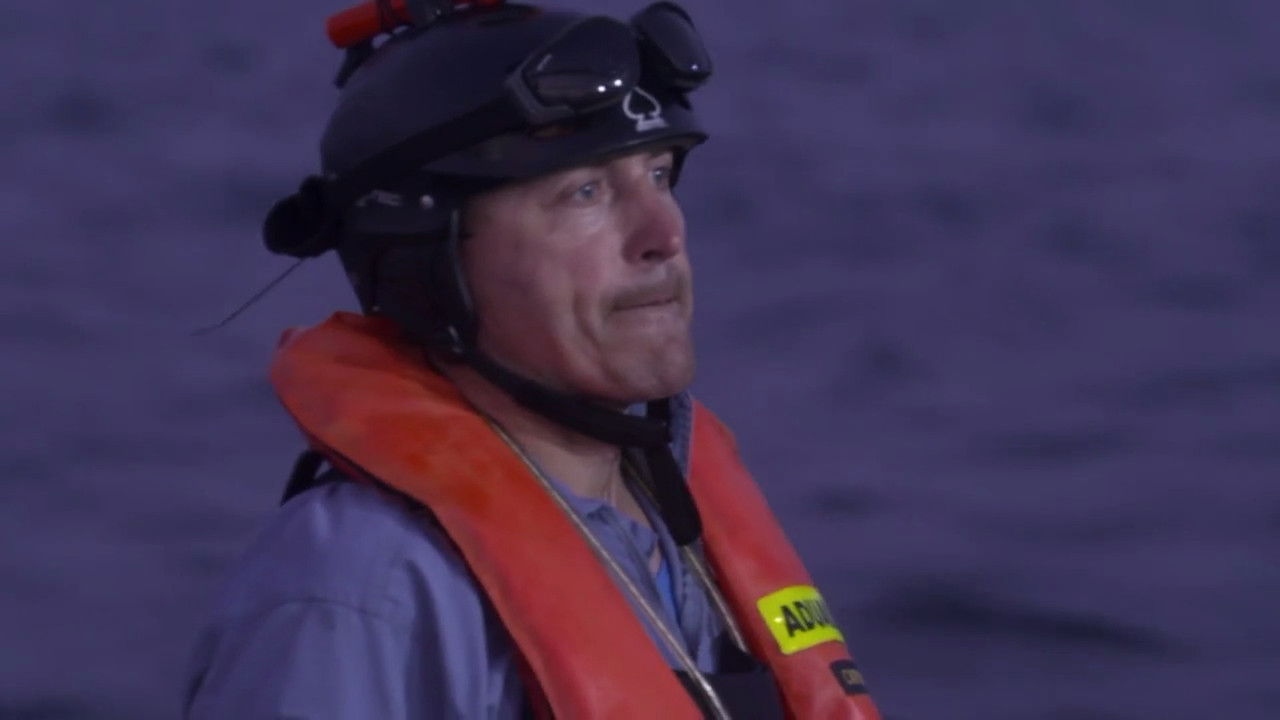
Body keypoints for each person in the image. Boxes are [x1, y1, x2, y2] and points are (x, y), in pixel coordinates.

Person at [184, 0, 881, 717]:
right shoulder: (361, 590)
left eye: (659, 174)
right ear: (428, 260)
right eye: (586, 192)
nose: (664, 234)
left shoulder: (672, 522)